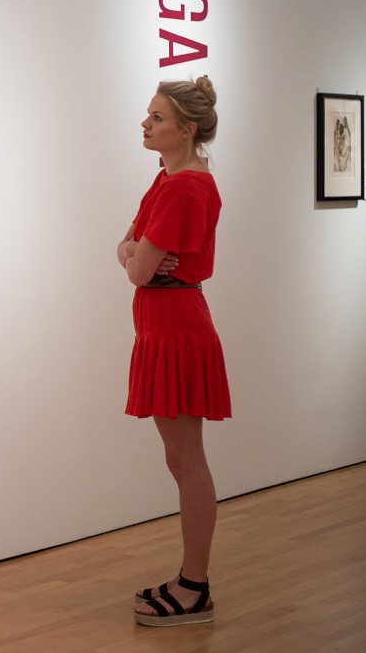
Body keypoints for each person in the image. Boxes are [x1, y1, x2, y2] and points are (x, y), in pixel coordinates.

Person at [116, 76, 230, 628]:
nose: (145, 123)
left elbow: (136, 266)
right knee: (180, 460)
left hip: (177, 329)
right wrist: (135, 252)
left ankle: (195, 587)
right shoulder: (167, 180)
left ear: (185, 130)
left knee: (187, 461)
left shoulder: (185, 188)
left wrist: (136, 255)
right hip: (165, 326)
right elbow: (126, 246)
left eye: (156, 118)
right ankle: (191, 581)